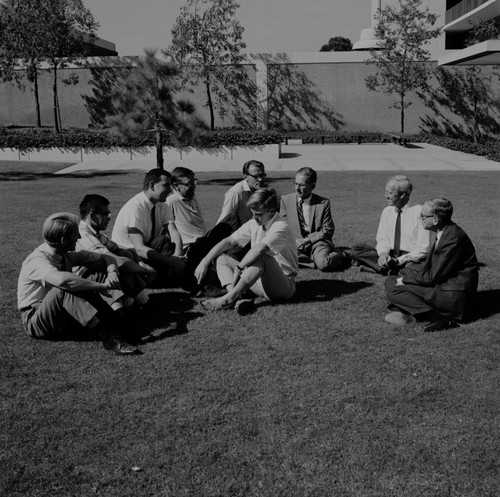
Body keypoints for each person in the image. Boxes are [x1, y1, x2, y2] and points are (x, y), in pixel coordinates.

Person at [17, 213, 140, 355]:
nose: (80, 238)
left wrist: (112, 273)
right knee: (65, 288)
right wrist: (101, 286)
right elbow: (63, 281)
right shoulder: (37, 260)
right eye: (76, 234)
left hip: (62, 314)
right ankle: (109, 337)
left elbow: (107, 257)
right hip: (37, 320)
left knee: (95, 270)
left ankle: (120, 324)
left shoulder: (64, 254)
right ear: (64, 240)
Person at [194, 187, 298, 314]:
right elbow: (228, 241)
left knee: (262, 256)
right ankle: (236, 297)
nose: (254, 218)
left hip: (282, 285)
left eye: (258, 214)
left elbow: (260, 249)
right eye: (252, 213)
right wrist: (204, 261)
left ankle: (228, 299)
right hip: (256, 281)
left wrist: (240, 266)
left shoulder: (282, 225)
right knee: (221, 258)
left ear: (271, 211)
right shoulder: (254, 223)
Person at [385, 198, 479, 332]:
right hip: (444, 284)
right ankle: (410, 304)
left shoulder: (453, 238)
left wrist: (405, 279)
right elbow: (431, 267)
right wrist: (406, 272)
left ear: (435, 219)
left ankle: (437, 317)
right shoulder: (444, 231)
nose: (419, 219)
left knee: (394, 288)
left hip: (453, 295)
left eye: (422, 216)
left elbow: (433, 277)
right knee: (392, 279)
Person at [77, 194, 156, 306]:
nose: (109, 217)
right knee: (118, 263)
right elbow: (115, 260)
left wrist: (141, 263)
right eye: (105, 214)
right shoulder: (84, 235)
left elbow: (120, 250)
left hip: (100, 277)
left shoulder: (96, 233)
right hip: (86, 282)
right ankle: (131, 296)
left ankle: (131, 295)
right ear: (93, 216)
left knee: (125, 253)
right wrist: (143, 270)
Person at [111, 169, 186, 287]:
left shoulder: (162, 205)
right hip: (130, 256)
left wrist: (177, 255)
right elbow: (139, 248)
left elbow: (174, 233)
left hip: (148, 251)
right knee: (164, 242)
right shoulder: (135, 207)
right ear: (152, 186)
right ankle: (177, 278)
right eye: (166, 185)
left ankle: (175, 276)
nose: (171, 191)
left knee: (164, 242)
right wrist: (170, 261)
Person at [165, 167, 234, 292]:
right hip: (191, 247)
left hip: (203, 240)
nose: (193, 186)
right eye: (188, 184)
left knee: (229, 222)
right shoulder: (171, 202)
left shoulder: (192, 197)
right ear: (176, 186)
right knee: (201, 243)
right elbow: (168, 230)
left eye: (194, 182)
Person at [350, 175, 431, 274]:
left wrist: (398, 260)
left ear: (402, 195)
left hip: (409, 257)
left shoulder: (420, 213)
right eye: (386, 192)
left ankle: (385, 269)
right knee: (356, 250)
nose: (386, 196)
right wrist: (383, 254)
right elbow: (382, 239)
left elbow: (423, 249)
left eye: (390, 193)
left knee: (419, 264)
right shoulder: (387, 211)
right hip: (390, 254)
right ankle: (392, 269)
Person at [280, 167, 348, 271]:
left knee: (323, 264)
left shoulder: (323, 203)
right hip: (295, 243)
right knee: (279, 257)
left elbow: (328, 229)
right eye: (296, 184)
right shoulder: (285, 200)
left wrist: (307, 240)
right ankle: (313, 259)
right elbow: (283, 226)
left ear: (313, 186)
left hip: (317, 242)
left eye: (302, 185)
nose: (297, 188)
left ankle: (340, 254)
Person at [216, 160, 267, 229]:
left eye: (262, 175)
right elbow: (225, 219)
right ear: (245, 177)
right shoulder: (236, 192)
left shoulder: (266, 189)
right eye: (256, 176)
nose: (260, 179)